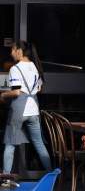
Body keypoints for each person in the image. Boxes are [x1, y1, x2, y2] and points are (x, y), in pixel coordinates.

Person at [1, 41, 51, 174]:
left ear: (19, 51)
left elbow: (17, 92)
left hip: (19, 109)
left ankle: (6, 178)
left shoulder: (15, 68)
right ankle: (51, 174)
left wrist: (4, 94)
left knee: (10, 144)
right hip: (33, 110)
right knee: (39, 144)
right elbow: (39, 88)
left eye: (12, 50)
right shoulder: (35, 67)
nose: (11, 53)